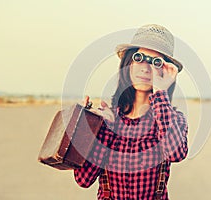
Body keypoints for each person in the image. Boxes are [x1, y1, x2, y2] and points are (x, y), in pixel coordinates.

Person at [74, 24, 188, 200]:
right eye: (139, 58)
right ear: (128, 64)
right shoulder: (107, 119)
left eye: (155, 62)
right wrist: (88, 126)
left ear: (165, 71)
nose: (145, 68)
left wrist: (160, 92)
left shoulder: (172, 120)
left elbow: (176, 153)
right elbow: (83, 179)